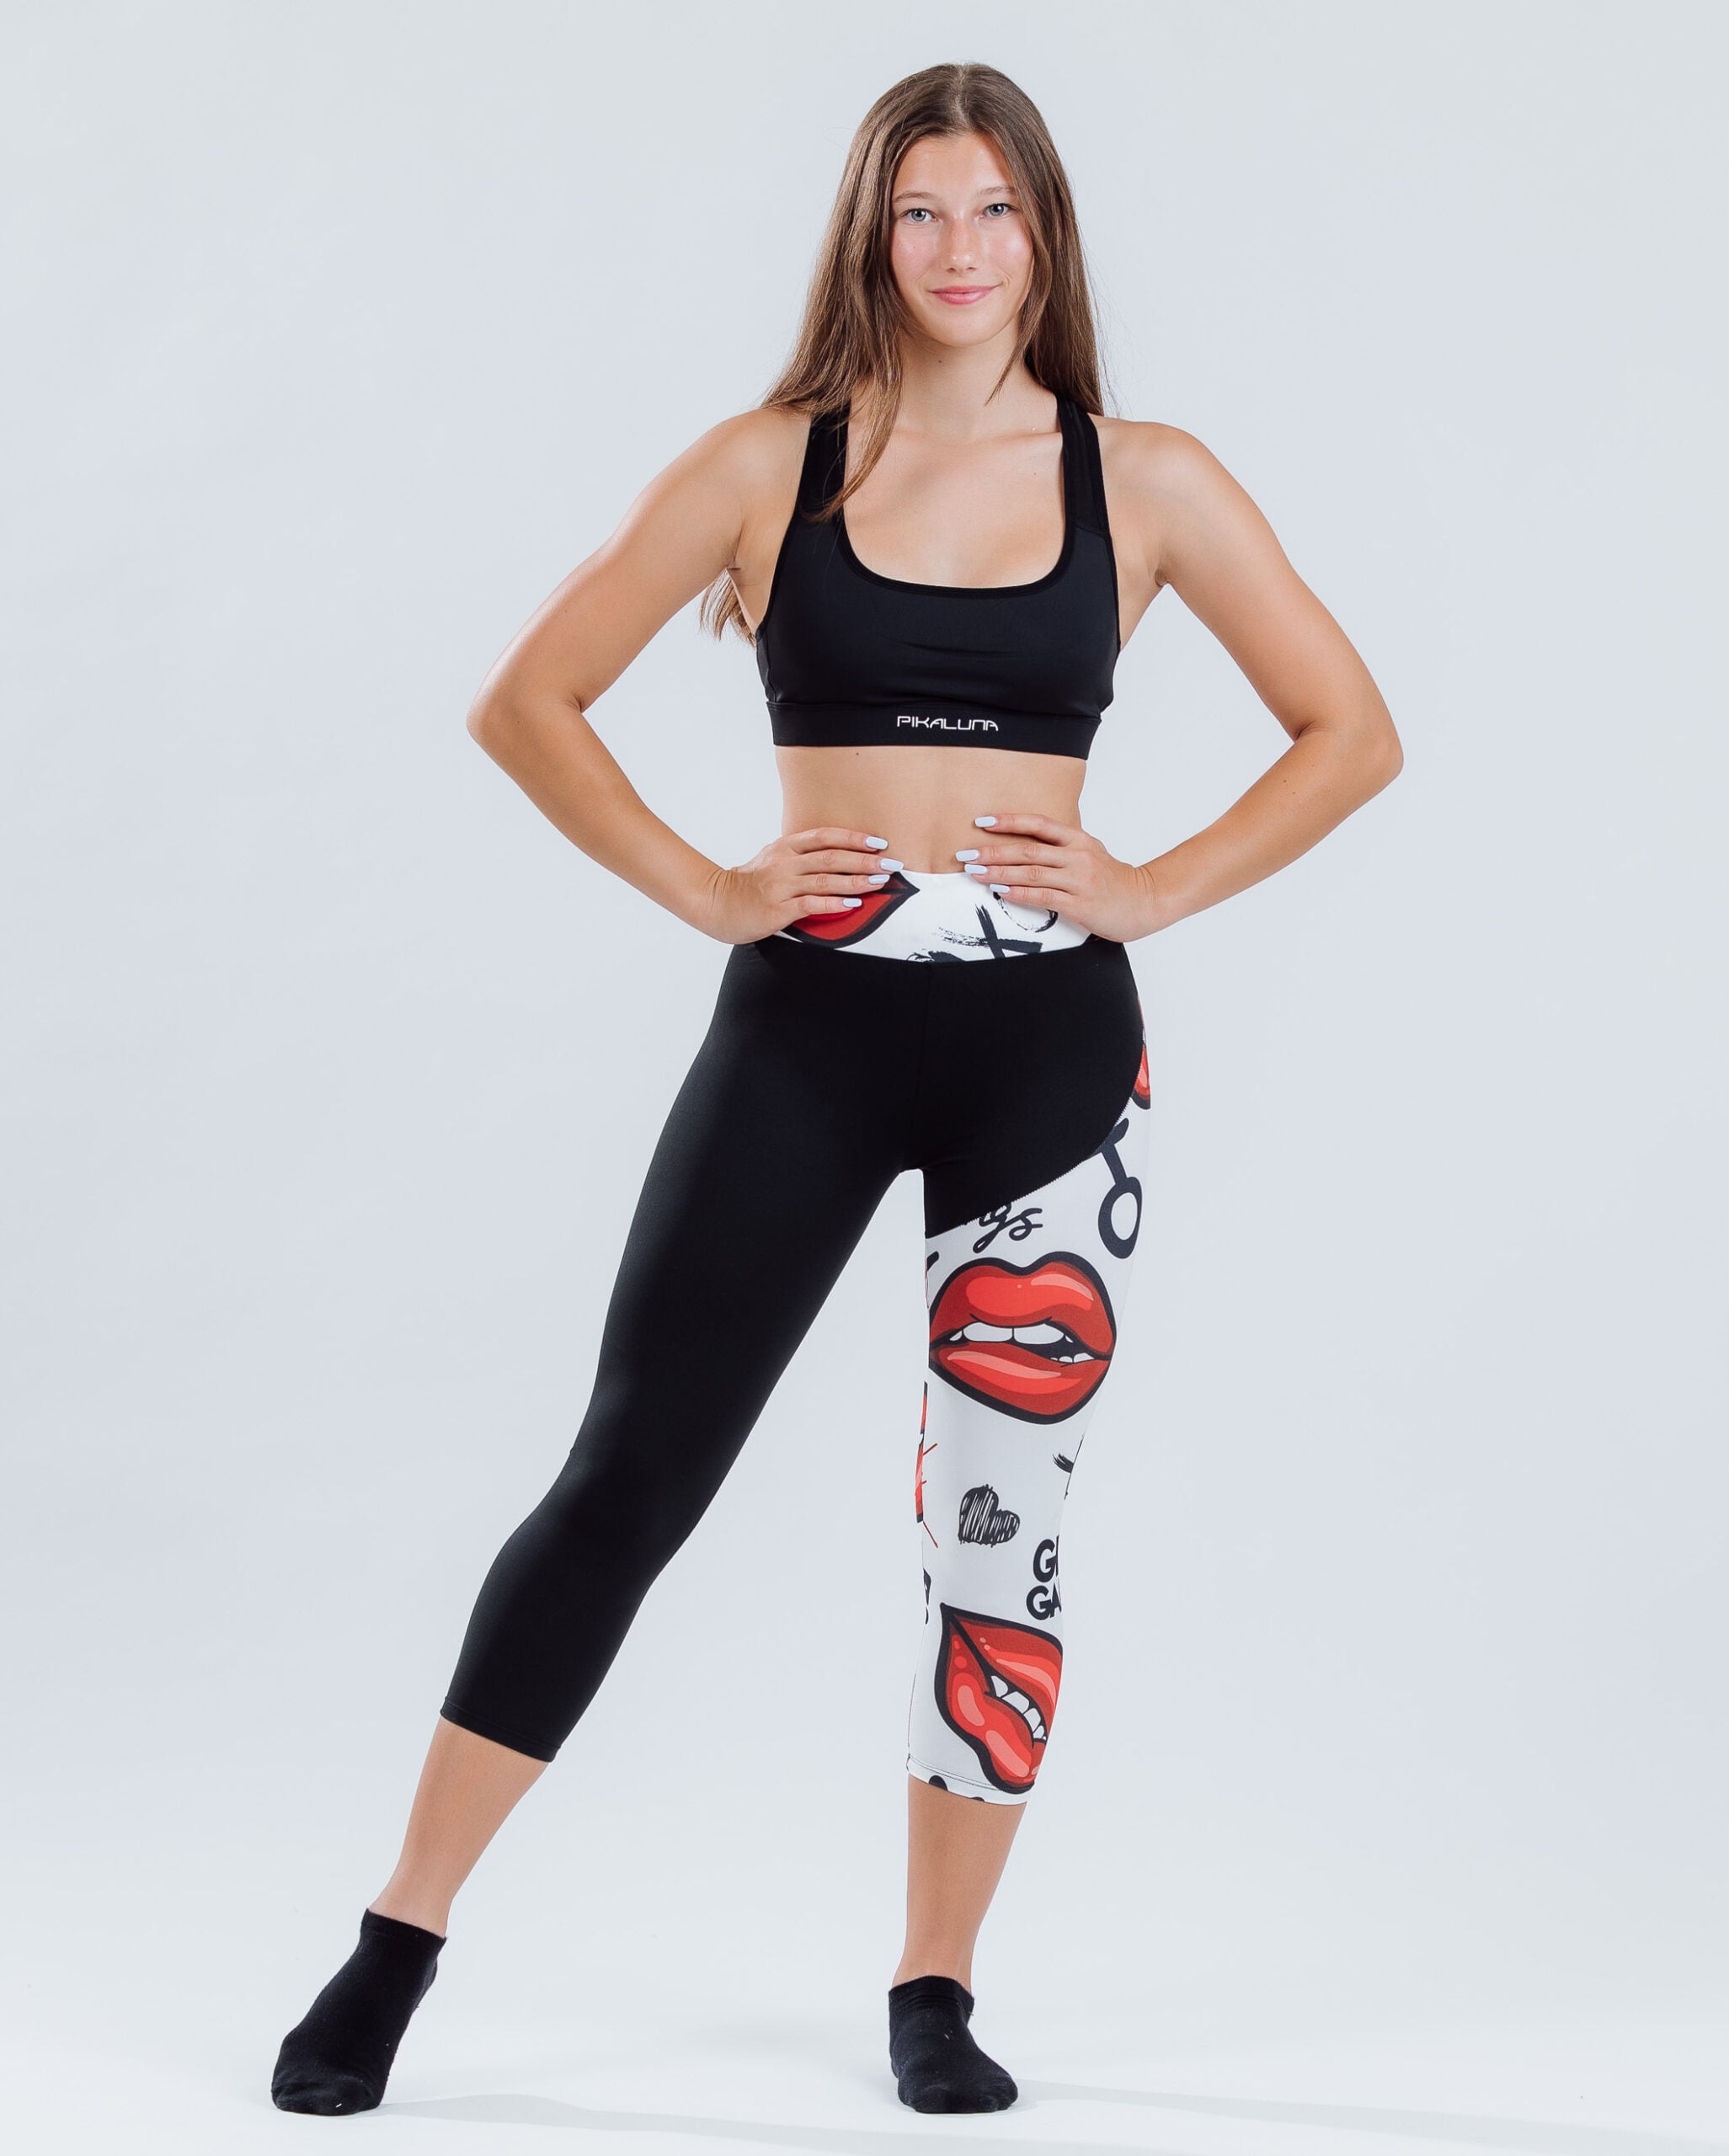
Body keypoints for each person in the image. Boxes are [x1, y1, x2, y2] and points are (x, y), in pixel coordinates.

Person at [271, 59, 1401, 2117]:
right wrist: (708, 884)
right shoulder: (764, 465)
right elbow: (527, 700)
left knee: (999, 1525)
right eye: (919, 212)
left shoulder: (1144, 480)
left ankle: (932, 1984)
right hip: (806, 1027)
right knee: (628, 1472)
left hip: (1047, 1055)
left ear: (1043, 234)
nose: (959, 250)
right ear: (869, 238)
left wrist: (1149, 882)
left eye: (994, 210)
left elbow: (1349, 728)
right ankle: (396, 1937)